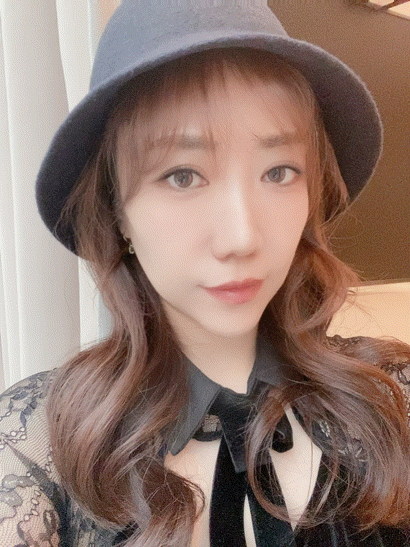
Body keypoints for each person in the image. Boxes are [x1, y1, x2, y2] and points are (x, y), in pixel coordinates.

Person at [1, 1, 410, 546]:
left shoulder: (391, 397)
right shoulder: (36, 446)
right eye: (183, 176)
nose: (242, 238)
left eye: (279, 172)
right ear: (117, 208)